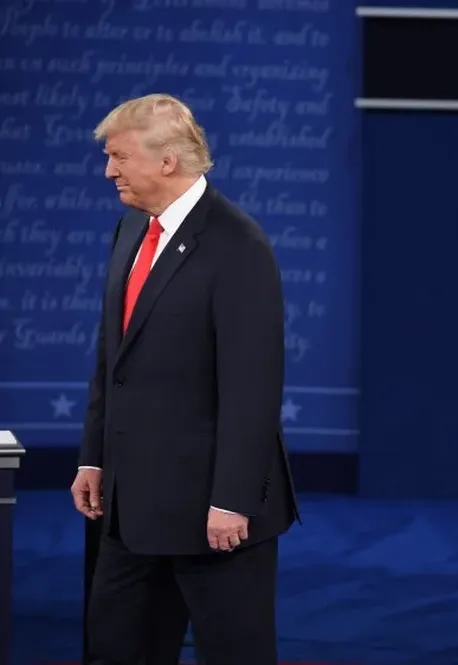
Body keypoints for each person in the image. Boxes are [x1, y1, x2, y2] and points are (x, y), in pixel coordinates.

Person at [70, 93, 299, 665]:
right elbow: (112, 360)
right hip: (127, 508)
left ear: (167, 161)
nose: (108, 171)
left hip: (212, 518)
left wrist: (232, 500)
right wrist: (93, 457)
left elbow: (253, 384)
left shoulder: (236, 245)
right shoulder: (129, 231)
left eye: (119, 157)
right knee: (116, 649)